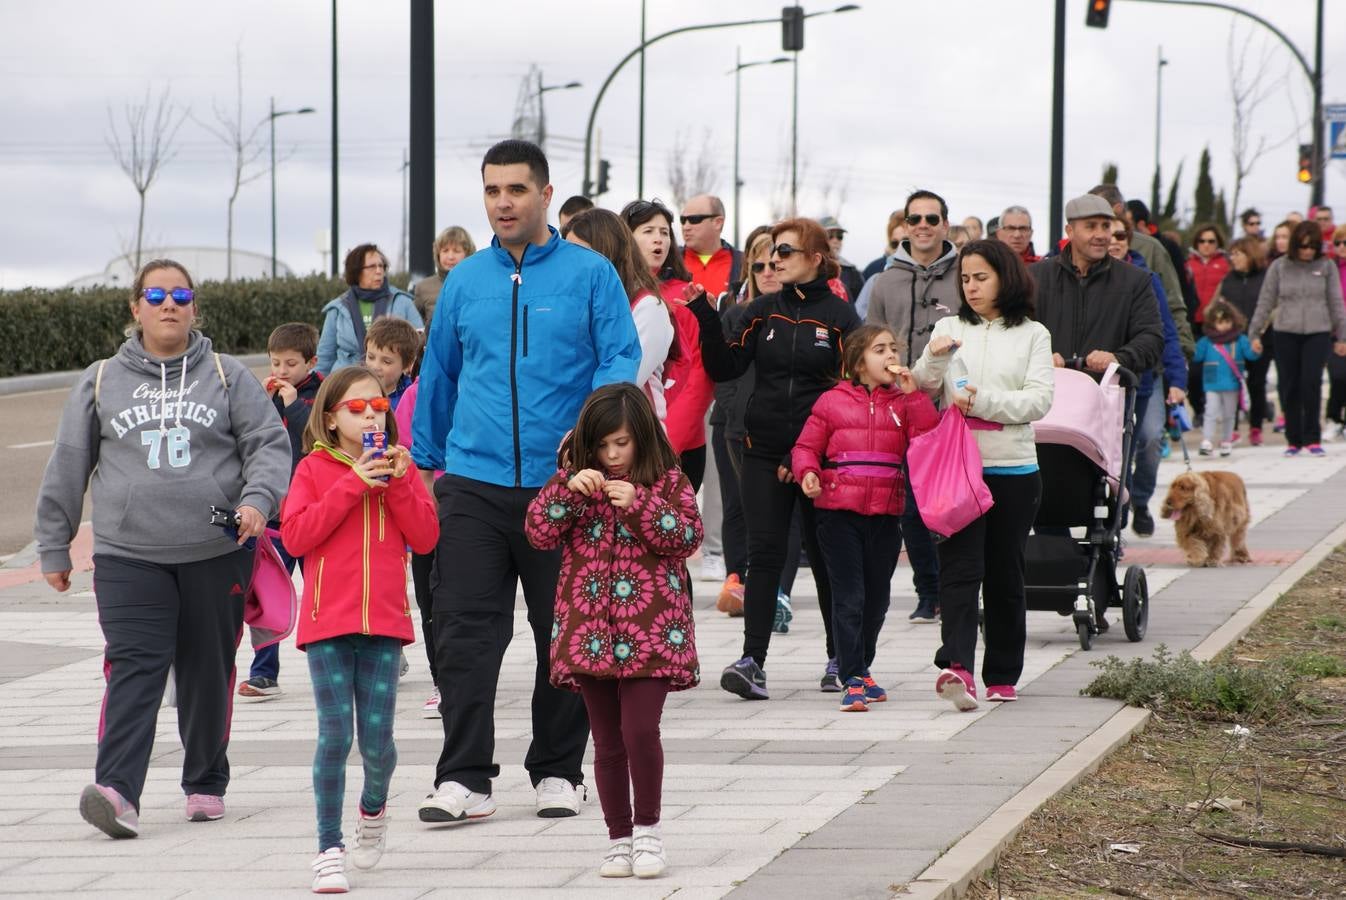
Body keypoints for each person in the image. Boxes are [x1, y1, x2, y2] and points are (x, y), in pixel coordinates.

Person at [412, 139, 640, 824]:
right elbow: (440, 377)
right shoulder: (465, 281)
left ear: (545, 194)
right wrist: (428, 466)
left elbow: (620, 358)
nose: (503, 202)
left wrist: (592, 436)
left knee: (564, 635)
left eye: (516, 189)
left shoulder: (590, 274)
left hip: (563, 486)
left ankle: (558, 770)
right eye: (491, 190)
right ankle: (464, 778)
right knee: (463, 633)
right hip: (473, 485)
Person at [35, 259, 290, 838]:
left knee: (206, 669)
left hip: (216, 551)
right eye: (156, 294)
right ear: (136, 308)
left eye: (180, 294)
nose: (168, 304)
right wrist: (54, 545)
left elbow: (268, 444)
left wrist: (258, 501)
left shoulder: (226, 374)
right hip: (129, 556)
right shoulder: (101, 378)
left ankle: (204, 781)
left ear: (195, 306)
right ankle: (117, 791)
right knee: (134, 666)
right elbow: (67, 463)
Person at [525, 383, 702, 880]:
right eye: (602, 445)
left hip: (652, 630)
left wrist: (641, 503)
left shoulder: (666, 479)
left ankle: (648, 831)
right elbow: (537, 532)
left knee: (640, 730)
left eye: (621, 443)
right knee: (606, 742)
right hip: (589, 633)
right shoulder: (575, 480)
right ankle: (618, 838)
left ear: (641, 438)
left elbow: (689, 536)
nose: (611, 455)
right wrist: (565, 490)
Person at [688, 217, 860, 699]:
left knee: (827, 560)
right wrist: (704, 315)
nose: (774, 261)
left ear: (816, 259)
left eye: (785, 252)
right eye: (768, 256)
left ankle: (840, 659)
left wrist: (803, 451)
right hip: (761, 451)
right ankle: (752, 662)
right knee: (763, 555)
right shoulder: (761, 311)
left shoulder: (843, 318)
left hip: (820, 457)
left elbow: (849, 392)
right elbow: (725, 365)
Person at [281, 366, 438, 892]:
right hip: (327, 623)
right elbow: (297, 536)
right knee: (335, 735)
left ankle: (374, 808)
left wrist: (395, 484)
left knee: (377, 743)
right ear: (330, 418)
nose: (371, 413)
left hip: (385, 625)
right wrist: (352, 484)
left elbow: (426, 536)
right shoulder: (313, 469)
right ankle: (328, 847)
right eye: (356, 408)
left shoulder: (401, 467)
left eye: (378, 406)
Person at [911, 240, 1054, 710]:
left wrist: (984, 401)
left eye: (981, 277)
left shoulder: (1033, 333)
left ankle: (1002, 673)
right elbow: (923, 383)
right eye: (966, 279)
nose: (971, 287)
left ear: (1005, 278)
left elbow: (1038, 400)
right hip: (959, 465)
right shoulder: (950, 326)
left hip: (1013, 466)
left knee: (1004, 572)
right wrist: (934, 356)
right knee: (958, 568)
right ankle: (958, 668)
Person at [791, 325, 938, 712]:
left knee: (878, 598)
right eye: (879, 349)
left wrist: (915, 395)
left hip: (886, 514)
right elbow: (807, 445)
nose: (890, 355)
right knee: (850, 597)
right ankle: (851, 674)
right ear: (858, 363)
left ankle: (862, 665)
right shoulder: (831, 401)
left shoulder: (905, 403)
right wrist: (808, 471)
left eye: (893, 347)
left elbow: (927, 439)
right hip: (838, 514)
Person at [864, 189, 960, 624]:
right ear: (904, 226)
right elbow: (871, 342)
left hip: (956, 404)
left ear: (944, 224)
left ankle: (959, 586)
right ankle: (930, 592)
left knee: (956, 501)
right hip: (902, 405)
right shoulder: (885, 281)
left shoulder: (964, 275)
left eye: (932, 218)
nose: (923, 225)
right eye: (915, 218)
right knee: (912, 508)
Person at [712, 228, 805, 623]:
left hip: (786, 427)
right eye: (759, 265)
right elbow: (723, 372)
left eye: (774, 264)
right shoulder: (736, 313)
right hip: (734, 424)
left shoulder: (804, 312)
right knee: (738, 505)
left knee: (787, 512)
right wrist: (733, 409)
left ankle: (779, 591)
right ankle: (738, 580)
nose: (768, 271)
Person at [239, 322, 324, 702]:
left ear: (311, 361)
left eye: (291, 364)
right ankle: (263, 673)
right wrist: (259, 401)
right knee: (270, 592)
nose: (282, 372)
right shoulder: (266, 395)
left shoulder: (322, 394)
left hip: (313, 512)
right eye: (276, 363)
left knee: (325, 591)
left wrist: (294, 404)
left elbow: (320, 438)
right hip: (275, 515)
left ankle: (340, 658)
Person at [618, 199, 715, 493]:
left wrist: (668, 438)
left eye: (664, 231)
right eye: (648, 231)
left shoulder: (683, 295)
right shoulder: (613, 290)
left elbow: (698, 375)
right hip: (622, 439)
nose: (659, 238)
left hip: (672, 443)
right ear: (626, 237)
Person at [1107, 218, 1187, 537]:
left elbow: (1166, 331)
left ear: (1129, 240)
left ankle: (1140, 500)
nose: (1112, 241)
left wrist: (1178, 380)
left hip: (1146, 376)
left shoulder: (1147, 279)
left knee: (1151, 439)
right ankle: (1119, 515)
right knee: (1118, 450)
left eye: (1119, 235)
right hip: (1107, 379)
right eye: (1107, 234)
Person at [563, 208, 676, 428]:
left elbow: (625, 381)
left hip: (633, 440)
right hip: (586, 432)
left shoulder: (648, 306)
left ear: (606, 253)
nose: (570, 264)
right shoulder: (574, 304)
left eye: (579, 254)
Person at [1031, 195, 1164, 377]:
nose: (1101, 235)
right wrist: (1040, 357)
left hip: (1107, 395)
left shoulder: (1135, 280)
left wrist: (1118, 358)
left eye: (1106, 226)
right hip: (1044, 393)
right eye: (1091, 226)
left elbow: (1152, 338)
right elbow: (1014, 331)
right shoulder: (1035, 277)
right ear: (1070, 231)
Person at [1249, 220, 1346, 456]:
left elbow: (1336, 302)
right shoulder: (1280, 267)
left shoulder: (1326, 267)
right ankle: (1294, 439)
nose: (1307, 251)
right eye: (1303, 246)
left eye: (1312, 246)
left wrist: (1342, 335)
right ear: (1295, 246)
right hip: (1285, 332)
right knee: (1289, 384)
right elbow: (1266, 300)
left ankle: (1313, 436)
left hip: (1318, 332)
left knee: (1311, 382)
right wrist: (1255, 331)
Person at [1090, 185, 1194, 358]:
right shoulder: (1081, 249)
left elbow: (1173, 303)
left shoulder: (1151, 248)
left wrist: (1182, 352)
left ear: (1118, 209)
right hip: (1095, 358)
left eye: (1096, 209)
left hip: (1148, 358)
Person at [316, 244, 423, 375]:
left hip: (392, 383)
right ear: (356, 271)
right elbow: (325, 358)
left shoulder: (403, 301)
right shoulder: (338, 308)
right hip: (345, 383)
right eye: (372, 266)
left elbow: (419, 346)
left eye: (381, 266)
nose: (379, 271)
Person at [1220, 237, 1273, 445]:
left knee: (1256, 383)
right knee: (1232, 382)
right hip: (1234, 339)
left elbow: (1272, 306)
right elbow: (1221, 306)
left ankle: (1256, 426)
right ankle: (1231, 428)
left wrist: (1258, 333)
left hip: (1261, 338)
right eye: (1231, 254)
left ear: (1250, 254)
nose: (1233, 259)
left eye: (1237, 254)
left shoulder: (1265, 277)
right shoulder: (1229, 279)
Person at [1191, 299, 1259, 458]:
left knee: (1230, 414)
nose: (1224, 325)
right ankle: (1207, 440)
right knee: (1210, 412)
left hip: (1232, 383)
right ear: (1212, 323)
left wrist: (1256, 350)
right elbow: (1196, 357)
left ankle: (1227, 440)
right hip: (1211, 383)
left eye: (1227, 321)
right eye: (1220, 322)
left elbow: (1250, 355)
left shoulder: (1240, 339)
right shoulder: (1206, 341)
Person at [680, 194, 743, 299]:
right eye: (683, 220)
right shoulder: (669, 261)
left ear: (718, 222)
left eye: (694, 219)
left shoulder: (743, 263)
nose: (686, 227)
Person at [413, 226, 476, 326]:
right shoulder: (422, 288)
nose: (450, 257)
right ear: (438, 254)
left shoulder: (478, 284)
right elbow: (415, 327)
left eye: (456, 251)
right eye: (445, 251)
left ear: (468, 254)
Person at [363, 317, 419, 409]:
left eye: (386, 362)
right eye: (371, 357)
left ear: (407, 365)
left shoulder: (411, 398)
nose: (375, 366)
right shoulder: (354, 389)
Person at [820, 215, 865, 300]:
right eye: (830, 236)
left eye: (840, 236)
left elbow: (860, 307)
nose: (836, 240)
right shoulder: (808, 269)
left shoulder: (852, 272)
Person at [860, 211, 906, 285]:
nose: (900, 248)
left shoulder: (927, 271)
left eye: (905, 242)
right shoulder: (873, 270)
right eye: (894, 243)